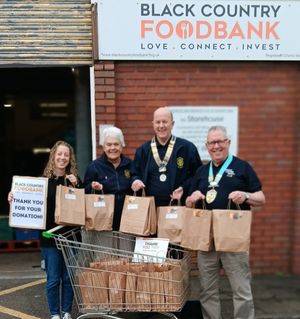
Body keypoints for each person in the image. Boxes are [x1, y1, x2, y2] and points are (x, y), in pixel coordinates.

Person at [186, 125, 266, 319]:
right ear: (206, 146)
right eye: (212, 142)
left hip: (233, 240)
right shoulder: (201, 172)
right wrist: (191, 198)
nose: (216, 146)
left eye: (220, 141)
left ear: (228, 143)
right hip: (207, 240)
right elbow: (188, 205)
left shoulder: (242, 167)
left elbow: (261, 198)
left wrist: (245, 195)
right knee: (207, 289)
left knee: (241, 290)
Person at [8, 140, 82, 319]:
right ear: (53, 157)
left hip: (71, 237)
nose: (62, 158)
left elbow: (82, 207)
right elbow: (28, 202)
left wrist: (77, 186)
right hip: (49, 237)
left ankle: (66, 312)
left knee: (68, 278)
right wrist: (14, 198)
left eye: (66, 155)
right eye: (59, 154)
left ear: (70, 158)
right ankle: (55, 313)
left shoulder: (75, 181)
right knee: (53, 278)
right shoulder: (42, 182)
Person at [131, 106, 202, 206]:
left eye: (165, 122)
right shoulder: (143, 150)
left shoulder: (187, 148)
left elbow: (198, 175)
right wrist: (136, 180)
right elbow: (134, 173)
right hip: (150, 210)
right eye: (158, 122)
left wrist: (184, 187)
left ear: (172, 124)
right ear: (153, 124)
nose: (161, 125)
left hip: (178, 207)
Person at [83, 126, 133, 231]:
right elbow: (84, 191)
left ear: (122, 145)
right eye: (109, 144)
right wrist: (92, 186)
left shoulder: (130, 164)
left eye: (116, 144)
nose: (112, 148)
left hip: (128, 222)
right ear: (104, 147)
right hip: (103, 223)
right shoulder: (94, 166)